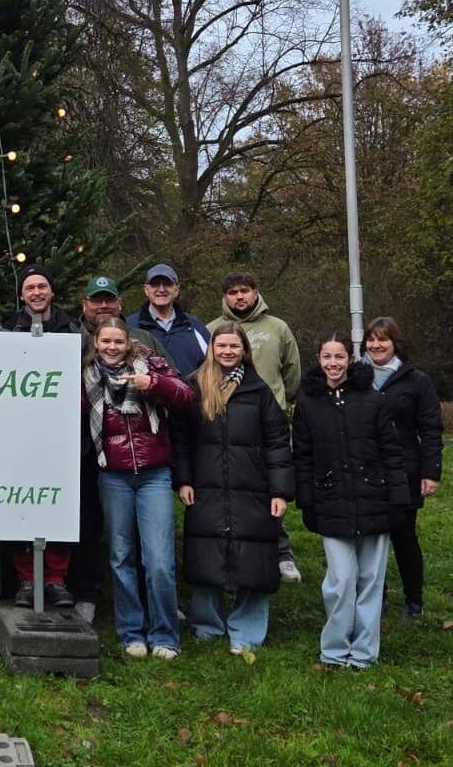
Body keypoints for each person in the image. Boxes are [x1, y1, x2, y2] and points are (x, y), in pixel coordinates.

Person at [292, 332, 410, 670]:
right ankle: (333, 648)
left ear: (350, 359)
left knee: (371, 580)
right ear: (318, 359)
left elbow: (392, 451)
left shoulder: (373, 399)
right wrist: (307, 500)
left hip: (375, 498)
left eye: (339, 357)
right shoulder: (308, 403)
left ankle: (363, 652)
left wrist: (398, 497)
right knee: (341, 580)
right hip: (331, 501)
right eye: (327, 357)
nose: (333, 363)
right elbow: (302, 456)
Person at [174, 326, 294, 653]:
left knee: (255, 558)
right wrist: (183, 479)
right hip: (205, 486)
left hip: (253, 488)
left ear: (244, 350)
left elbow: (278, 443)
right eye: (221, 345)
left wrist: (279, 491)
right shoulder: (194, 387)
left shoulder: (259, 391)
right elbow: (181, 440)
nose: (227, 351)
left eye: (234, 346)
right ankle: (207, 627)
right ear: (212, 349)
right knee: (205, 556)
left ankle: (247, 632)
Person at [84, 317, 194, 658]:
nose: (112, 347)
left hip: (154, 474)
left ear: (127, 342)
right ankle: (130, 632)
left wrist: (154, 383)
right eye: (106, 342)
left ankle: (164, 634)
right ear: (96, 344)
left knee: (159, 558)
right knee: (121, 556)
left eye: (118, 341)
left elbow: (186, 396)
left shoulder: (150, 365)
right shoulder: (87, 377)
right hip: (112, 474)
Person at [70, 273, 172, 622]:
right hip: (88, 453)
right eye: (96, 300)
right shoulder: (71, 340)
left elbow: (176, 387)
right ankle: (90, 593)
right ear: (84, 305)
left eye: (108, 299)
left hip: (143, 456)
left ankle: (157, 602)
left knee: (147, 539)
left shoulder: (143, 340)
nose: (102, 305)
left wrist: (154, 384)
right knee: (96, 530)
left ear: (119, 303)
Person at [208, 269, 304, 583]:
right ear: (225, 297)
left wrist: (280, 403)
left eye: (244, 291)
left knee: (270, 488)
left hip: (268, 426)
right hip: (228, 427)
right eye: (233, 292)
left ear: (255, 292)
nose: (239, 297)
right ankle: (231, 558)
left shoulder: (278, 328)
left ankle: (281, 551)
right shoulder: (211, 330)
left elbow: (292, 373)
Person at [0, 264, 79, 607]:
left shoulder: (74, 330)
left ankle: (57, 579)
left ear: (51, 291)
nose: (36, 293)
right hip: (18, 435)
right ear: (22, 295)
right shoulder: (6, 330)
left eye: (41, 286)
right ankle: (27, 579)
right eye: (29, 288)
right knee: (22, 505)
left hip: (61, 435)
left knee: (57, 505)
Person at [363, 316, 443, 618]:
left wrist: (430, 471)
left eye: (383, 339)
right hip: (368, 470)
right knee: (372, 536)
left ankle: (413, 600)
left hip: (405, 471)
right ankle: (377, 596)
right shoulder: (358, 376)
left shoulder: (416, 380)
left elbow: (431, 428)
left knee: (403, 535)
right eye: (371, 339)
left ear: (395, 343)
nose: (376, 345)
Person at [127, 263, 209, 378]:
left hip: (192, 395)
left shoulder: (195, 326)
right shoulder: (130, 327)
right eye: (155, 284)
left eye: (167, 284)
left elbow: (212, 366)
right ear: (146, 290)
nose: (161, 289)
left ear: (176, 290)